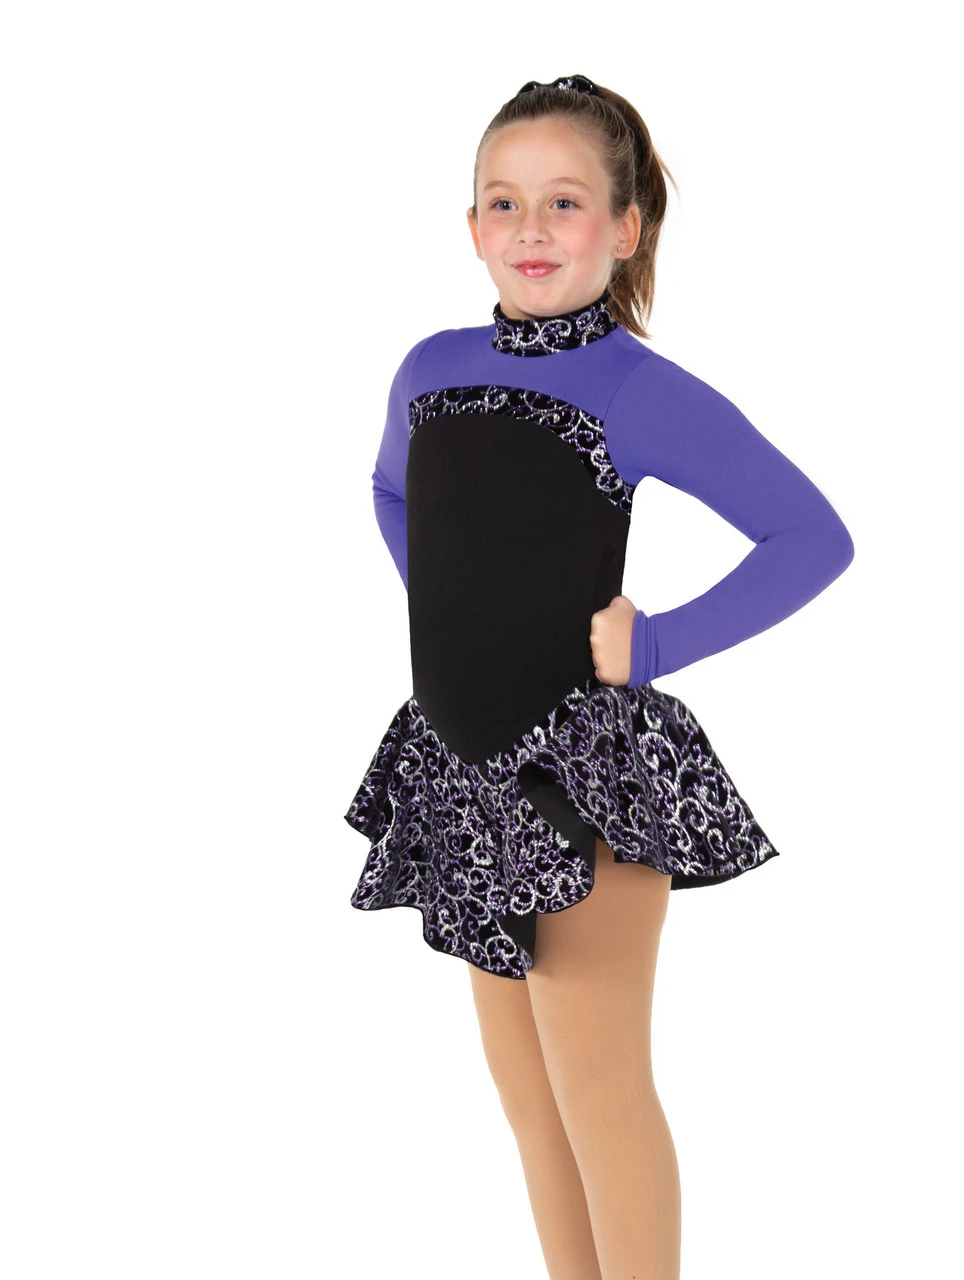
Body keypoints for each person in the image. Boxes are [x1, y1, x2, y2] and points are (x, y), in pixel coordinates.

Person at [344, 74, 854, 1279]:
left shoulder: (635, 389)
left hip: (584, 779)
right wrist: (450, 607)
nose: (530, 227)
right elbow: (390, 488)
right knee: (527, 1099)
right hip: (464, 769)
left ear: (623, 228)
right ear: (470, 224)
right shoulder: (426, 369)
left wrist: (656, 642)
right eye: (503, 200)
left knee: (598, 1089)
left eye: (563, 201)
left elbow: (810, 536)